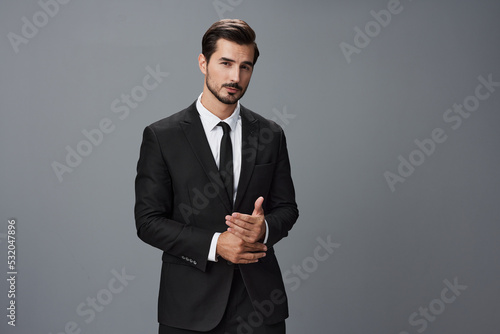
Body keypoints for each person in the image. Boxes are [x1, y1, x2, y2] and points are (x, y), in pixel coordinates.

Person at [134, 19, 298, 334]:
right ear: (203, 63)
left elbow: (288, 209)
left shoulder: (270, 134)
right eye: (225, 63)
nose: (235, 77)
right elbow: (148, 221)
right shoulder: (162, 136)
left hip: (260, 307)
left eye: (245, 67)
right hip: (188, 308)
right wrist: (215, 244)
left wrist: (263, 228)